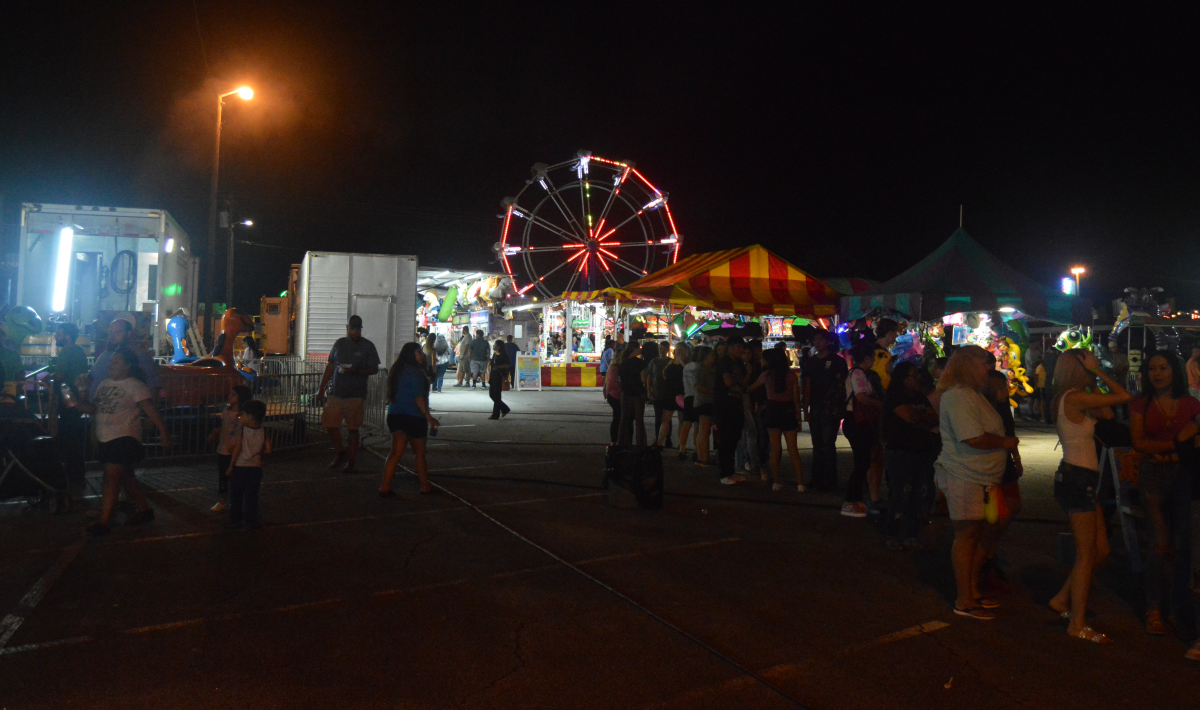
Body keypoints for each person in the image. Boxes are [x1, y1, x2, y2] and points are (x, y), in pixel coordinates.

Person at [1048, 349, 1131, 643]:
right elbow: (1123, 397)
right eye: (1088, 362)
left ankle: (1061, 599)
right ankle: (1077, 624)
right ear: (1079, 368)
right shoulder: (1073, 398)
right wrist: (1098, 372)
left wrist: (1093, 380)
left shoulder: (1074, 397)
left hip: (1083, 479)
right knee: (1086, 555)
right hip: (1077, 479)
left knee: (1101, 550)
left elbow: (1108, 414)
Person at [934, 345, 1019, 620]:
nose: (989, 368)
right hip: (966, 476)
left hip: (982, 477)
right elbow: (972, 437)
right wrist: (1005, 443)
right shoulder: (958, 396)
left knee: (981, 534)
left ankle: (972, 590)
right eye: (984, 363)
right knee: (967, 536)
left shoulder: (972, 394)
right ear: (969, 365)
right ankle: (964, 598)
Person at [1129, 350, 1200, 645]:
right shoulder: (1141, 403)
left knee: (1183, 545)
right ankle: (1153, 608)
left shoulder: (1191, 404)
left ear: (1175, 371)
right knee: (1159, 544)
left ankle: (1177, 609)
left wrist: (1169, 452)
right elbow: (1138, 442)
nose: (1157, 374)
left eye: (1164, 368)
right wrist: (1176, 444)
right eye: (1152, 369)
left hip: (1185, 475)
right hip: (1153, 475)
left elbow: (1196, 443)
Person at [75, 348, 173, 535]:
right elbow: (93, 408)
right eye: (112, 362)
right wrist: (80, 393)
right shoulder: (104, 384)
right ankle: (144, 510)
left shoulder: (135, 385)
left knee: (111, 478)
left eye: (117, 362)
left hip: (124, 437)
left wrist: (163, 432)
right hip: (106, 437)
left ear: (128, 366)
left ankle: (104, 521)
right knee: (126, 476)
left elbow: (150, 410)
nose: (112, 365)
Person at [881, 361, 940, 549]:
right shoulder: (894, 397)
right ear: (903, 379)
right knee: (900, 494)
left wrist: (919, 417)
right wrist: (921, 417)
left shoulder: (920, 397)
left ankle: (911, 535)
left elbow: (934, 419)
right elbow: (911, 417)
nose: (917, 379)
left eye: (917, 375)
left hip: (921, 451)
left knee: (917, 495)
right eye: (913, 376)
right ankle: (892, 535)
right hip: (900, 452)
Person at [316, 315, 381, 473]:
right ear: (347, 328)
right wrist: (321, 387)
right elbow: (330, 366)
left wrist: (357, 371)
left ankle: (351, 461)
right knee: (329, 424)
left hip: (356, 394)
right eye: (352, 328)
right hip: (336, 392)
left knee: (353, 428)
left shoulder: (368, 346)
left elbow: (374, 368)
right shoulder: (339, 344)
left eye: (358, 329)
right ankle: (341, 452)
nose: (355, 332)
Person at [978, 370, 1024, 586]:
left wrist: (1017, 458)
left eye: (1005, 387)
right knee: (995, 514)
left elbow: (1010, 435)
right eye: (1001, 388)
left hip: (1005, 462)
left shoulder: (1003, 408)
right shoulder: (984, 410)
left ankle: (988, 551)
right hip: (992, 464)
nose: (1006, 391)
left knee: (1012, 506)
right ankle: (986, 556)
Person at [379, 343, 440, 496]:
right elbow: (418, 397)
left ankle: (384, 487)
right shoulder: (414, 373)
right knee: (419, 453)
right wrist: (429, 417)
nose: (423, 355)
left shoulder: (397, 370)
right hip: (413, 417)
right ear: (411, 354)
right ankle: (425, 487)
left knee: (395, 453)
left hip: (395, 415)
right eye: (419, 352)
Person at [752, 348, 804, 492]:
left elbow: (751, 387)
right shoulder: (791, 376)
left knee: (775, 449)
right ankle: (800, 483)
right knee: (793, 449)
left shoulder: (766, 375)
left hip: (772, 411)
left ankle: (776, 481)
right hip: (788, 411)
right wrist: (799, 419)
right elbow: (796, 400)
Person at [841, 343, 882, 517]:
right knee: (861, 463)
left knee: (862, 462)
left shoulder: (857, 373)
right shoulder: (858, 373)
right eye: (873, 357)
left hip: (857, 421)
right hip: (857, 421)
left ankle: (856, 500)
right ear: (866, 358)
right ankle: (849, 501)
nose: (874, 360)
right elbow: (861, 398)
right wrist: (881, 405)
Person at [88, 314, 161, 401]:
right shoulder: (104, 354)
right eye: (110, 332)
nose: (112, 336)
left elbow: (152, 387)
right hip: (98, 406)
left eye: (117, 332)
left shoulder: (139, 356)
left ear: (128, 334)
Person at [52, 323, 89, 491]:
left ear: (67, 337)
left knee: (68, 437)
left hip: (67, 399)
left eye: (59, 334)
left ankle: (70, 475)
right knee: (74, 437)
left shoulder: (65, 352)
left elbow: (60, 375)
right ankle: (77, 475)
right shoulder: (80, 351)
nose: (56, 337)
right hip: (78, 399)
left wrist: (50, 377)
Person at [224, 399, 271, 528]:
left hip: (240, 467)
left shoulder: (243, 430)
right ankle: (251, 520)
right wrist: (257, 453)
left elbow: (238, 448)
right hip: (255, 468)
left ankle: (235, 520)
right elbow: (268, 450)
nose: (241, 417)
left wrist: (230, 466)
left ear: (250, 416)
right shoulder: (264, 430)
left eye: (243, 414)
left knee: (236, 495)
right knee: (252, 496)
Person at [207, 384, 253, 513]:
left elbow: (245, 431)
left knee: (237, 476)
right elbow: (225, 426)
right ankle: (222, 500)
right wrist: (215, 432)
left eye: (233, 394)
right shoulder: (226, 411)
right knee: (223, 475)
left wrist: (239, 444)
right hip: (224, 447)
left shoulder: (244, 414)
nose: (229, 396)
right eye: (230, 394)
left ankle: (236, 500)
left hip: (237, 449)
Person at [715, 337, 750, 485]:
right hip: (725, 405)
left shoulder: (739, 363)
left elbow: (743, 384)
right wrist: (739, 377)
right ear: (730, 347)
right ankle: (725, 473)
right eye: (738, 347)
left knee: (735, 437)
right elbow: (728, 382)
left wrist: (748, 373)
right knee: (726, 439)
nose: (741, 350)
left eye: (742, 347)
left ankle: (731, 472)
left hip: (737, 403)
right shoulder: (724, 362)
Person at [736, 340, 766, 481]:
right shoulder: (740, 368)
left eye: (749, 353)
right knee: (747, 432)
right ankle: (745, 463)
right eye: (744, 353)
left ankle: (749, 462)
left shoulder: (754, 367)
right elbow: (743, 387)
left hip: (749, 401)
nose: (746, 356)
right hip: (741, 401)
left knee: (750, 433)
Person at [654, 345, 686, 449]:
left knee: (668, 420)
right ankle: (680, 446)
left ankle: (661, 443)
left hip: (673, 393)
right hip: (678, 393)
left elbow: (664, 374)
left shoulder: (672, 363)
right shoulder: (679, 363)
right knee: (677, 420)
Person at [617, 341, 648, 446]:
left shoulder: (622, 363)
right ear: (634, 349)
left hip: (625, 393)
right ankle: (641, 444)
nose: (640, 350)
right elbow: (644, 379)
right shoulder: (640, 363)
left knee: (624, 419)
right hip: (638, 393)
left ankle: (622, 442)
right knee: (639, 420)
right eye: (639, 348)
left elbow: (620, 380)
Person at [691, 346, 716, 466]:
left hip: (703, 402)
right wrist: (712, 391)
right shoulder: (701, 369)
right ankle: (704, 457)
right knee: (704, 431)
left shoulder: (706, 368)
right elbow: (697, 386)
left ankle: (701, 457)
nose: (714, 356)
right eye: (712, 354)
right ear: (706, 356)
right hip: (704, 402)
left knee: (702, 430)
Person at [647, 341, 673, 449]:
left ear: (667, 350)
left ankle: (667, 438)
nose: (661, 351)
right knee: (658, 417)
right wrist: (649, 391)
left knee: (667, 418)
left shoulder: (670, 362)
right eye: (660, 348)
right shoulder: (654, 361)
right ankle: (658, 438)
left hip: (668, 393)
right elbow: (649, 376)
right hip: (657, 392)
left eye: (663, 348)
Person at [679, 344, 701, 461]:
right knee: (697, 425)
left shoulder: (687, 367)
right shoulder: (699, 367)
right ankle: (696, 450)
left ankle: (682, 449)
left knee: (686, 424)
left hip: (688, 397)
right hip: (698, 397)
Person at [871, 318, 900, 390]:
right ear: (890, 333)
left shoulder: (876, 349)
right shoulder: (878, 352)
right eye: (895, 332)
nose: (896, 336)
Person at [605, 344, 625, 445]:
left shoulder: (613, 367)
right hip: (615, 396)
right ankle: (614, 440)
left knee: (618, 417)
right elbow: (615, 383)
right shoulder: (614, 368)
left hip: (614, 395)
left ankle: (617, 440)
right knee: (618, 418)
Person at [486, 339, 512, 419]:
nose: (493, 345)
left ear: (498, 346)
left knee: (496, 396)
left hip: (499, 377)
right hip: (493, 376)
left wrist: (499, 367)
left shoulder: (503, 355)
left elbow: (508, 365)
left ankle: (495, 414)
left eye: (495, 344)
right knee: (492, 395)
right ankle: (505, 409)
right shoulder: (495, 354)